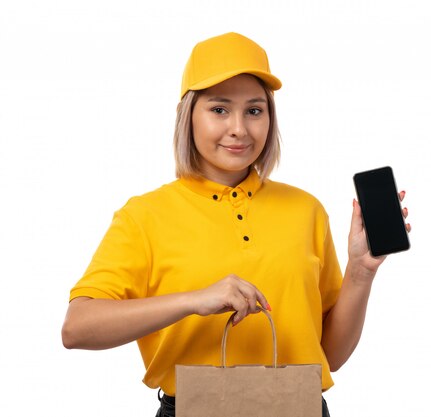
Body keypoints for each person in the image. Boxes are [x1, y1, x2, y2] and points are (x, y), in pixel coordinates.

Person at [62, 32, 410, 417]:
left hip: (300, 408)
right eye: (220, 109)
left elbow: (330, 355)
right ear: (188, 115)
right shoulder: (145, 215)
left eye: (255, 110)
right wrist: (194, 300)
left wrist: (361, 272)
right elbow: (77, 328)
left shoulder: (305, 209)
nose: (240, 129)